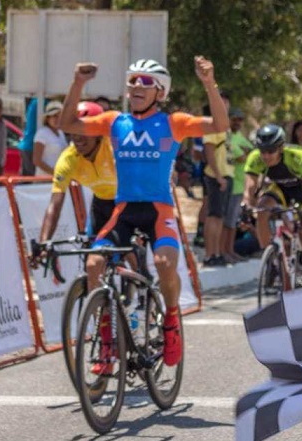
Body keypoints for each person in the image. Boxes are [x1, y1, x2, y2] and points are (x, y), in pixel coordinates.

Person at [59, 56, 228, 369]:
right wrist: (78, 83)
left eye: (146, 81)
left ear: (160, 92)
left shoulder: (172, 123)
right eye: (133, 79)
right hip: (123, 209)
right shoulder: (115, 122)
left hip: (158, 210)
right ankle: (107, 341)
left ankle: (171, 321)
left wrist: (209, 83)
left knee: (165, 264)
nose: (137, 84)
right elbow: (67, 124)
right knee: (94, 263)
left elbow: (220, 125)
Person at [33, 101, 116, 294]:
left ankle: (140, 295)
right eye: (72, 132)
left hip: (128, 202)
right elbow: (55, 204)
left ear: (98, 132)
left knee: (130, 254)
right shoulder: (68, 158)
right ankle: (100, 316)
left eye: (83, 131)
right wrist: (44, 242)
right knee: (91, 262)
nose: (77, 138)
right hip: (101, 204)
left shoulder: (113, 149)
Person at [242, 124, 302, 286]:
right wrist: (247, 206)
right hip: (280, 189)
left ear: (281, 148)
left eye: (271, 151)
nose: (266, 156)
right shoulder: (255, 157)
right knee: (263, 209)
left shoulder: (298, 155)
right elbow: (249, 187)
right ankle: (270, 259)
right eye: (263, 151)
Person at [202, 101, 234, 267]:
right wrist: (218, 176)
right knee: (213, 216)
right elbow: (209, 151)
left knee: (220, 217)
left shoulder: (225, 126)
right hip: (216, 176)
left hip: (227, 174)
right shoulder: (212, 125)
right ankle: (209, 254)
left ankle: (217, 252)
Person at [222, 108, 251, 263]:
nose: (238, 123)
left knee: (233, 221)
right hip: (229, 184)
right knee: (226, 220)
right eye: (235, 119)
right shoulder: (227, 136)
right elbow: (240, 157)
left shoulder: (240, 137)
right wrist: (244, 153)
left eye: (240, 120)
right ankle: (223, 251)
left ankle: (230, 250)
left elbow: (252, 152)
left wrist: (245, 153)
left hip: (240, 184)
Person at [33, 101, 68, 176]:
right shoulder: (42, 133)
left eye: (59, 116)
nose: (57, 119)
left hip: (58, 179)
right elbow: (36, 160)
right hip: (43, 180)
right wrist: (54, 173)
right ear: (47, 118)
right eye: (54, 116)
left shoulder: (61, 133)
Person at [19, 97, 38, 176]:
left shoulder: (35, 102)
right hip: (31, 146)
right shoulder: (40, 103)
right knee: (30, 177)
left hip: (27, 145)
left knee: (26, 178)